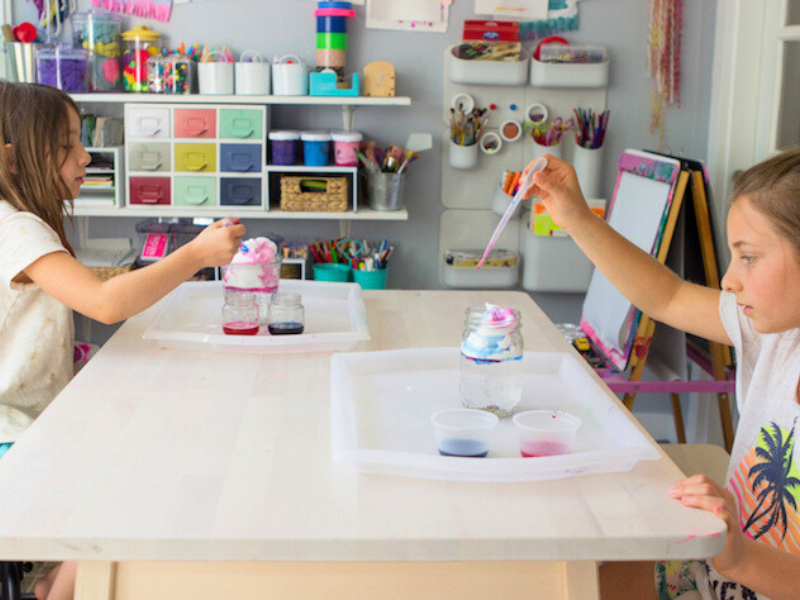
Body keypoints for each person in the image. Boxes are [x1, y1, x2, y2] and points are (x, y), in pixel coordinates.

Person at [0, 81, 246, 600]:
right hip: (11, 430)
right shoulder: (17, 228)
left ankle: (57, 580)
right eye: (66, 143)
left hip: (23, 415)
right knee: (132, 465)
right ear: (13, 159)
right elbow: (105, 304)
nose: (85, 154)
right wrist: (195, 255)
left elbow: (79, 284)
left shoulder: (13, 223)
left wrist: (152, 275)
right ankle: (57, 589)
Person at [522, 149, 800, 599]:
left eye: (748, 257)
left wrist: (742, 557)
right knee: (567, 585)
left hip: (745, 571)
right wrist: (578, 219)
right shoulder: (776, 333)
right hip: (717, 573)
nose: (728, 279)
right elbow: (667, 297)